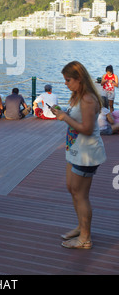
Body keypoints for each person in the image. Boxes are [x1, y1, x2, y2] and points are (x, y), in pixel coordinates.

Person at [51, 61, 106, 250]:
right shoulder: (77, 95)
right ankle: (82, 227)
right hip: (75, 150)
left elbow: (88, 129)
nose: (65, 84)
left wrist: (65, 117)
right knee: (72, 189)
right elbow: (77, 118)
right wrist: (62, 113)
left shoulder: (88, 99)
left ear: (79, 79)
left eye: (68, 80)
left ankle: (85, 238)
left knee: (81, 194)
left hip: (87, 154)